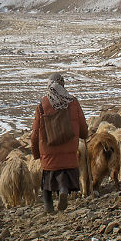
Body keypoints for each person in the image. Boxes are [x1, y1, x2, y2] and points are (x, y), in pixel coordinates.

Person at [30, 72, 88, 213]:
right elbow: (82, 125)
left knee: (47, 179)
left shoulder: (42, 104)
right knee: (65, 173)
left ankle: (48, 206)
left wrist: (36, 153)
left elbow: (35, 133)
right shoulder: (73, 102)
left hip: (48, 149)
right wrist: (84, 135)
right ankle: (63, 190)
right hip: (69, 148)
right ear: (62, 84)